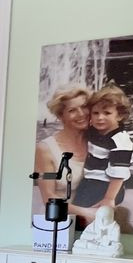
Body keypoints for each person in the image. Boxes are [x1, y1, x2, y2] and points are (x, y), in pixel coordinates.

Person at [34, 85, 92, 223]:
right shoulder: (45, 149)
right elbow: (49, 197)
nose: (81, 114)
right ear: (61, 116)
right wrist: (87, 213)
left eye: (84, 107)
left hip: (90, 223)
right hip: (58, 224)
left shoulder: (96, 143)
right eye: (72, 110)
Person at [73, 84, 133, 214]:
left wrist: (109, 198)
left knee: (82, 214)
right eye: (95, 113)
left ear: (120, 115)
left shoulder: (120, 141)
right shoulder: (95, 131)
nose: (100, 117)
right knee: (78, 209)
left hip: (105, 186)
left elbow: (119, 174)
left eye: (107, 113)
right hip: (90, 182)